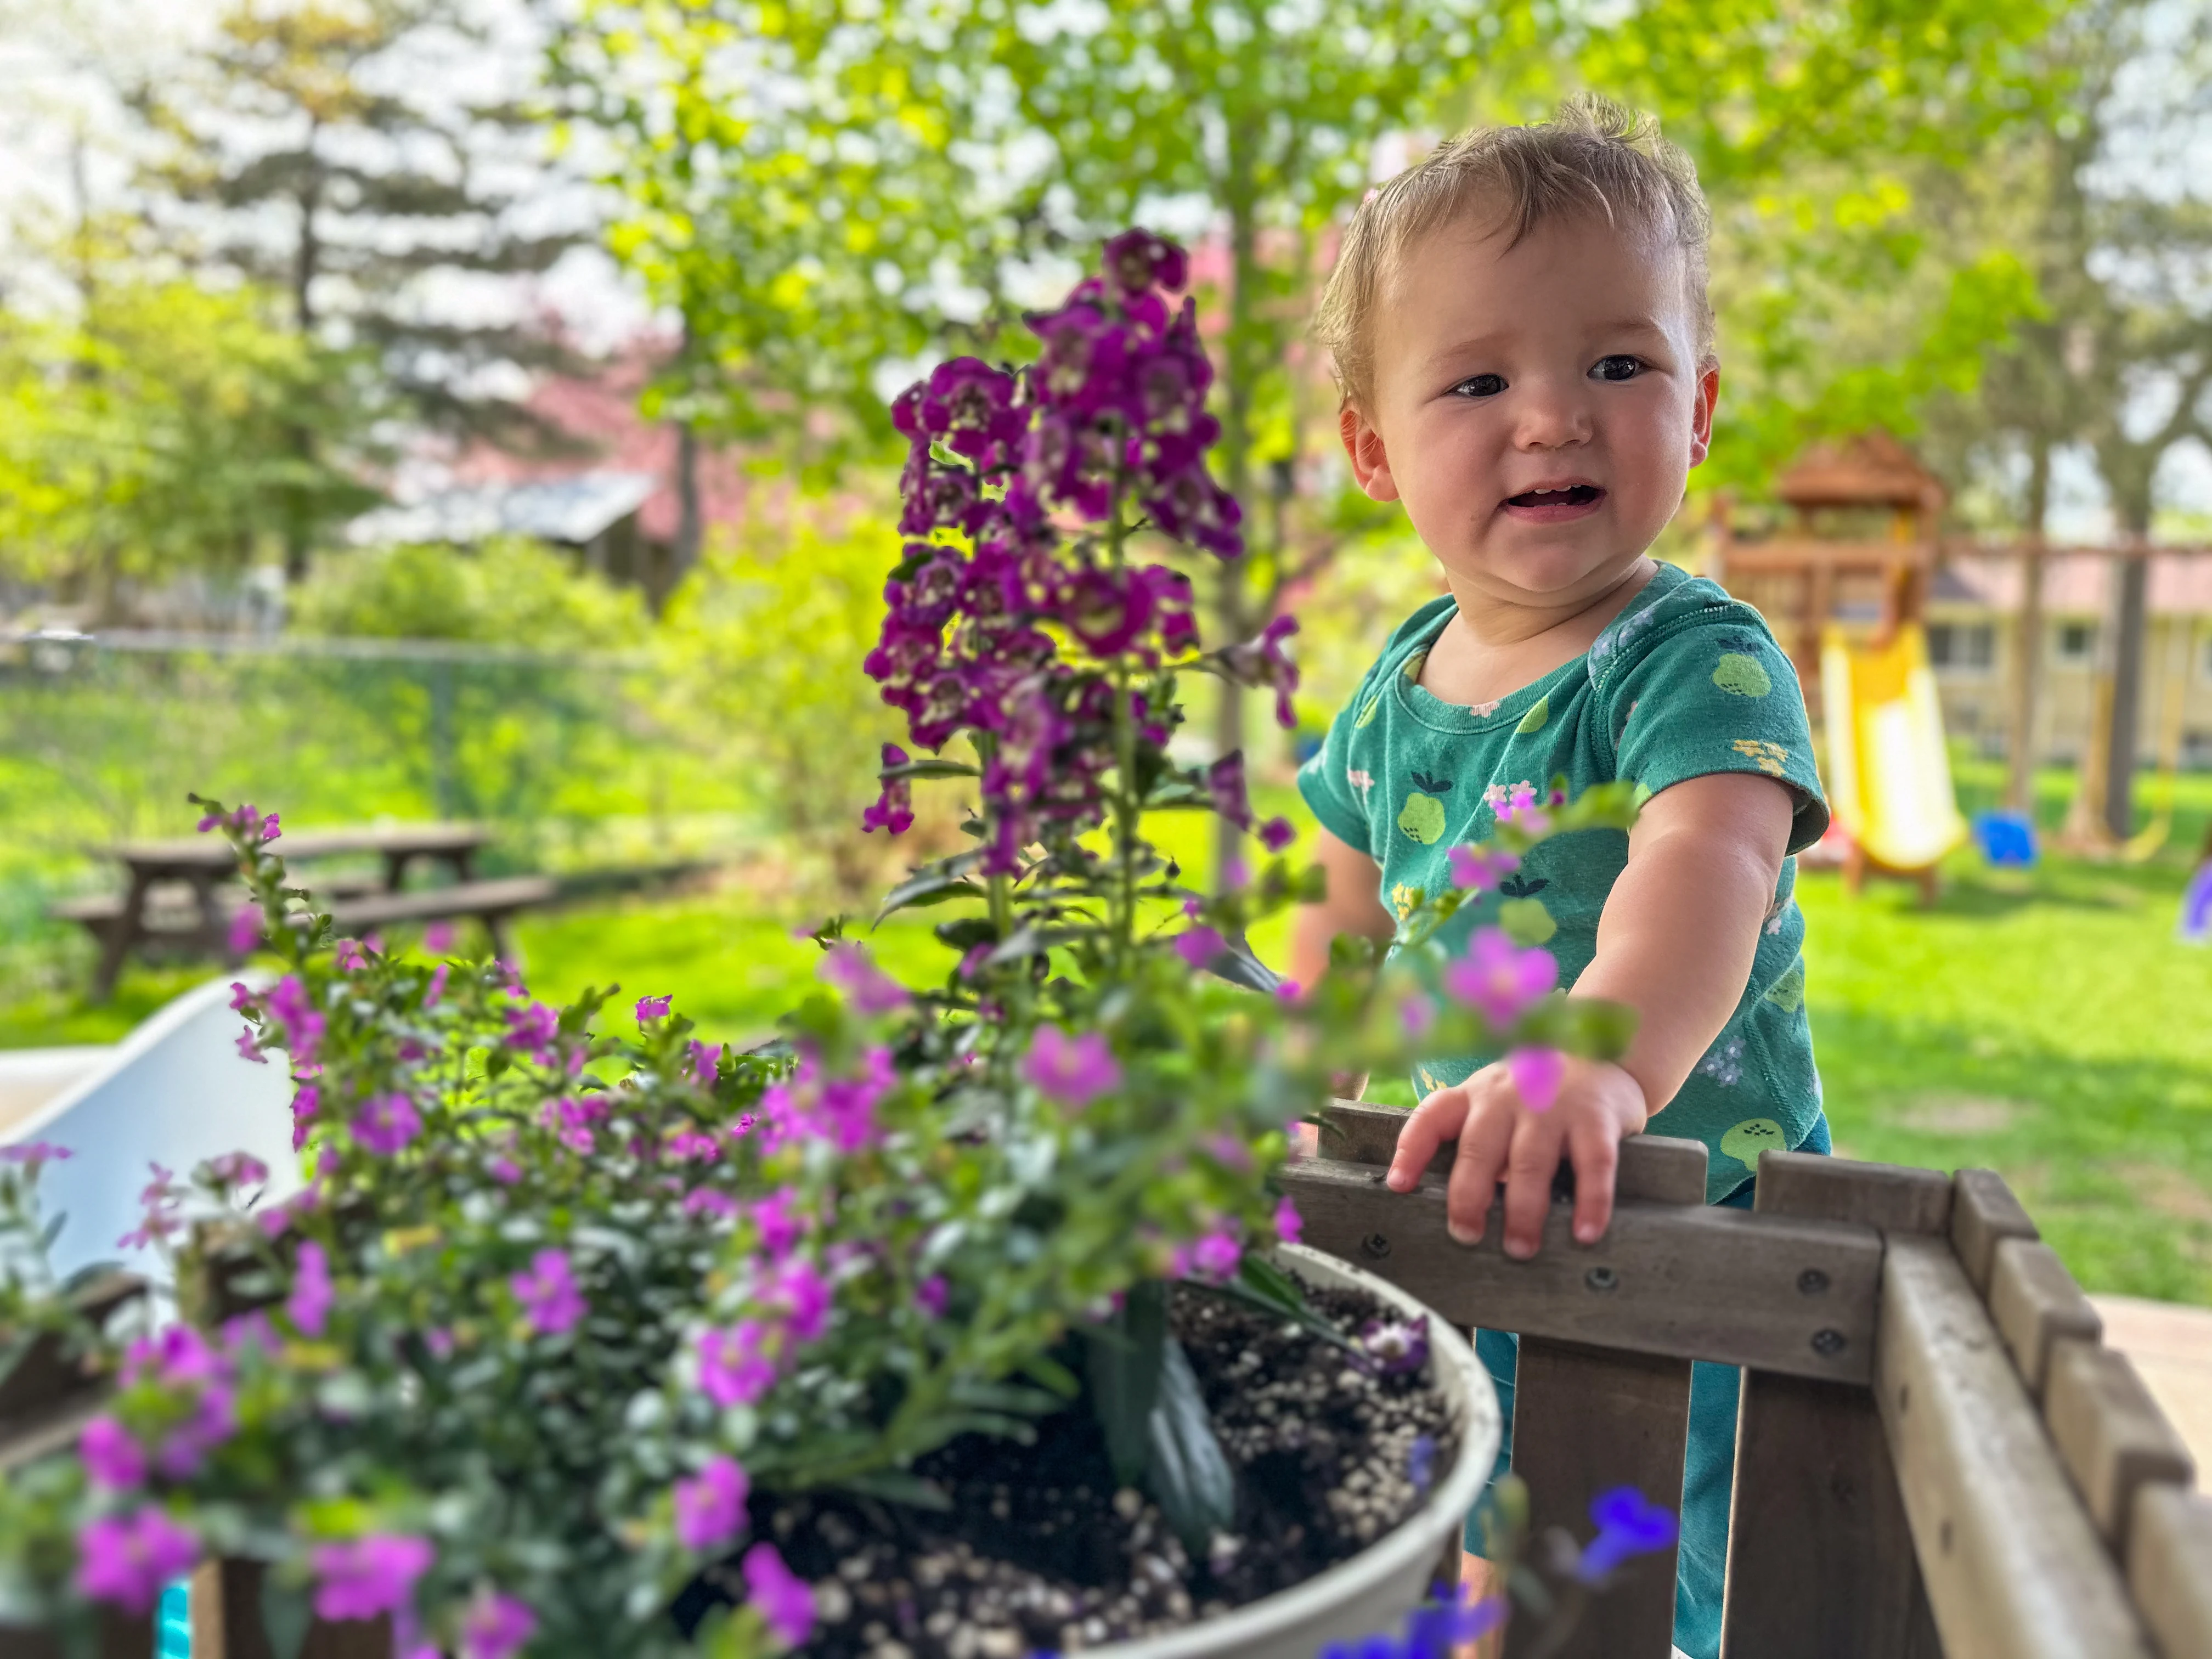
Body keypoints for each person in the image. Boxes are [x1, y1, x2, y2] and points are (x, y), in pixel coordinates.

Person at [1288, 97, 1831, 1659]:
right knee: (1469, 1551)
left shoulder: (1692, 659)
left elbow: (1708, 857)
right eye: (1479, 379)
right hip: (1469, 1215)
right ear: (1375, 451)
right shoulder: (1392, 692)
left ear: (1701, 407)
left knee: (1662, 1583)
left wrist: (1593, 1056)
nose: (1554, 417)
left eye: (1618, 364)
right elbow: (1346, 934)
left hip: (1688, 1249)